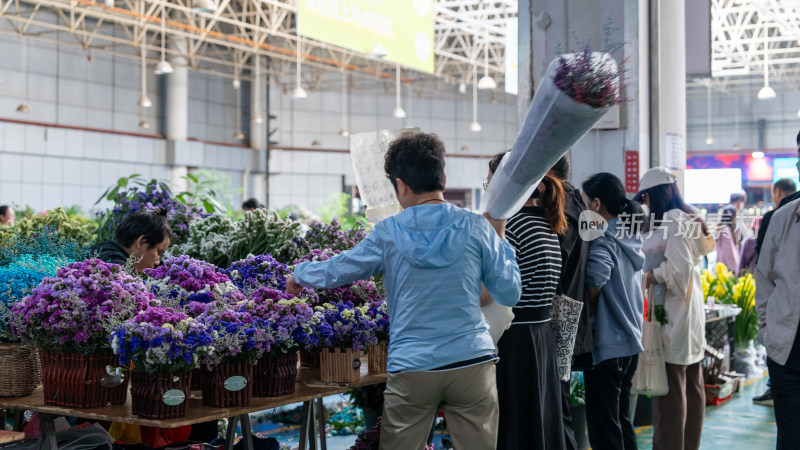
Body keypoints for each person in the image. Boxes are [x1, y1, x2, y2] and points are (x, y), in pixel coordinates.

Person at [286, 131, 522, 450]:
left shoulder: (388, 232)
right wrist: (501, 243)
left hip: (413, 366)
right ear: (444, 177)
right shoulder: (476, 226)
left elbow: (341, 267)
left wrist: (301, 273)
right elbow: (510, 293)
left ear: (400, 185)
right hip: (471, 361)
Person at [487, 151, 568, 450]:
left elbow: (494, 289)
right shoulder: (547, 224)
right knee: (538, 421)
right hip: (539, 336)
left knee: (515, 424)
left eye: (489, 183)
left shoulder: (515, 226)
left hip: (515, 339)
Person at [636, 167, 714, 450]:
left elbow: (679, 273)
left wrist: (650, 275)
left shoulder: (671, 220)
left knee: (669, 391)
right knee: (692, 386)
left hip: (673, 315)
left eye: (646, 197)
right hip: (688, 315)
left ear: (656, 194)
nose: (645, 203)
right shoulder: (687, 216)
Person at [581, 173, 645, 450]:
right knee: (621, 419)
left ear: (596, 204)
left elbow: (595, 276)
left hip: (608, 343)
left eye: (584, 202)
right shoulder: (629, 235)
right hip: (630, 341)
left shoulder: (603, 235)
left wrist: (590, 298)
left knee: (604, 426)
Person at [548, 154, 590, 450]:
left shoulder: (564, 206)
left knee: (556, 399)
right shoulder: (577, 201)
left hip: (558, 311)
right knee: (556, 396)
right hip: (569, 307)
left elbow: (555, 261)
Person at [755, 196, 800, 448]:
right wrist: (766, 332)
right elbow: (764, 278)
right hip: (787, 354)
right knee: (791, 439)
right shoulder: (783, 218)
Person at [91, 211, 171, 272]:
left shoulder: (102, 251)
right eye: (159, 252)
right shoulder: (116, 269)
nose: (157, 262)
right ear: (141, 241)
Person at [714, 205, 740, 272]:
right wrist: (735, 268)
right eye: (736, 215)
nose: (737, 217)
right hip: (727, 267)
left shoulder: (722, 228)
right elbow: (729, 251)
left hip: (721, 264)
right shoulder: (726, 229)